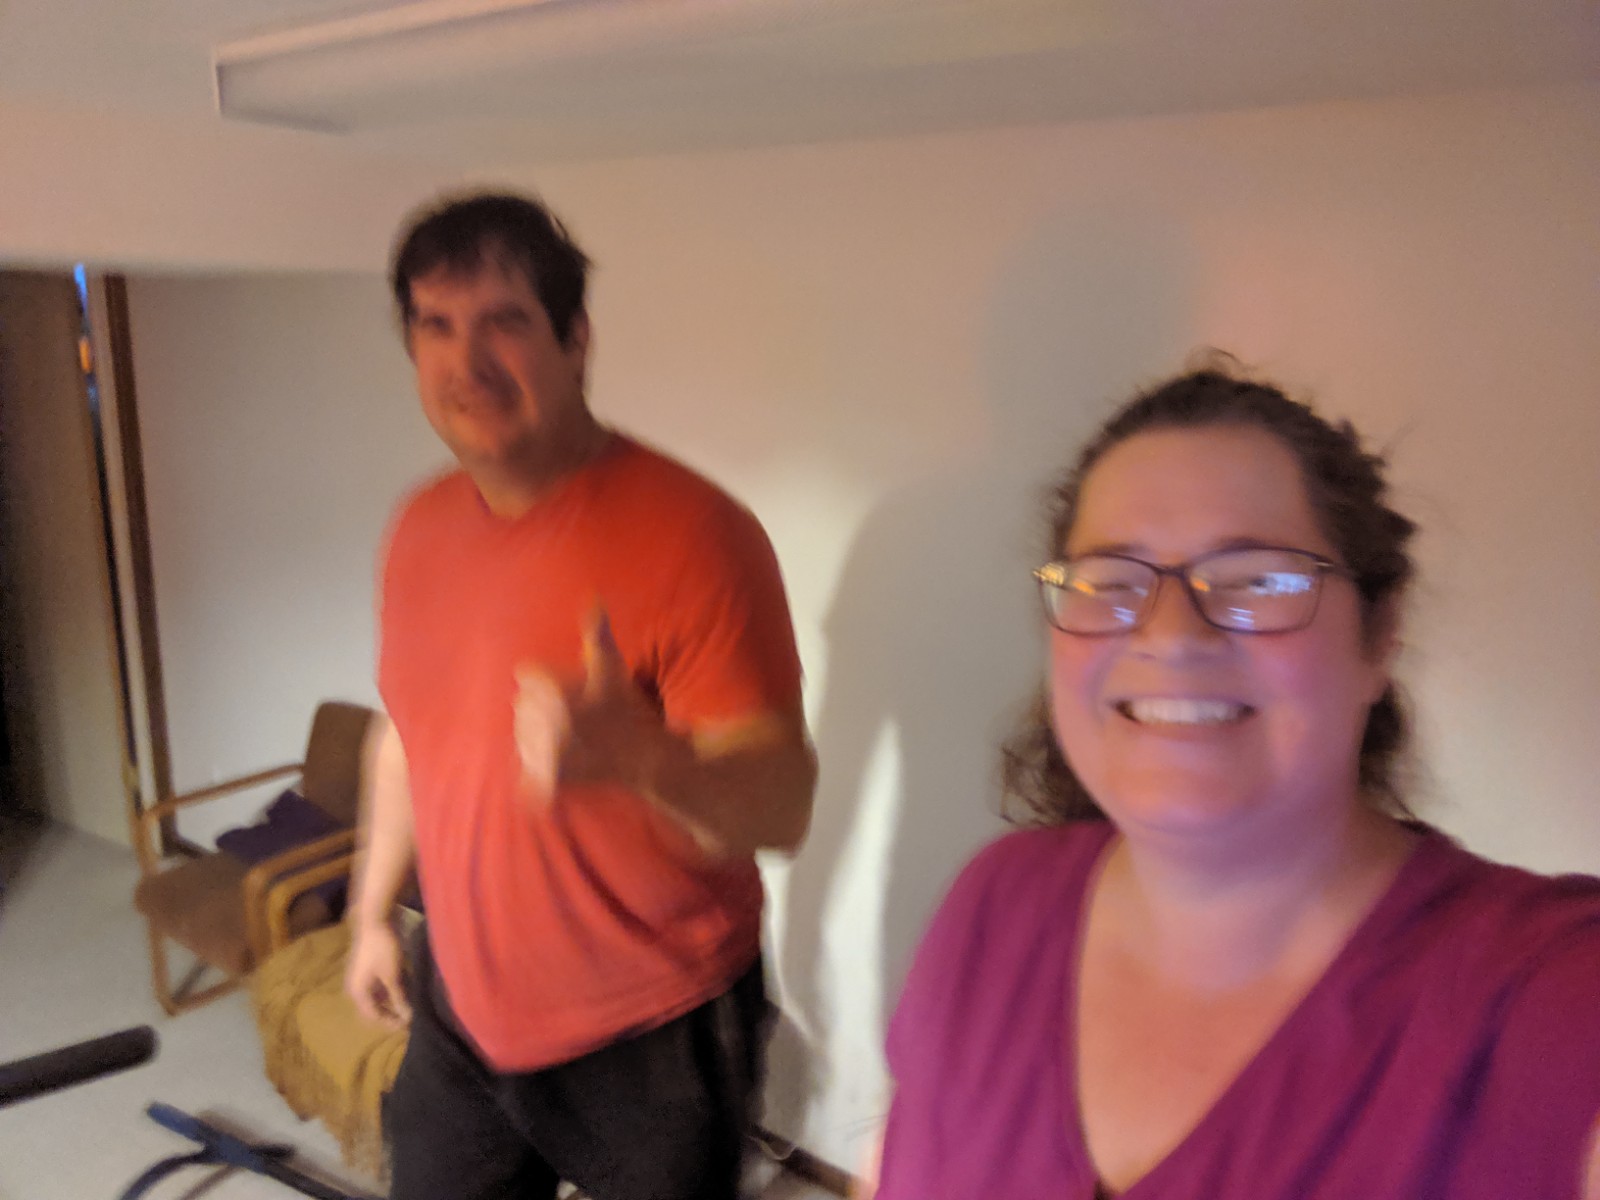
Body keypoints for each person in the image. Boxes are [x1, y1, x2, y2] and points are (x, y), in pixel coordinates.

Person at [870, 361, 1600, 1199]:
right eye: (1109, 582)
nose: (1170, 634)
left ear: (1380, 634)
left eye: (1257, 580)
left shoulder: (1540, 994)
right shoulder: (995, 902)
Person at [343, 191, 817, 1200]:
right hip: (462, 1000)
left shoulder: (697, 535)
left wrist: (644, 758)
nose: (466, 362)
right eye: (435, 326)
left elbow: (784, 807)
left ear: (576, 340)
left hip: (652, 1027)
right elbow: (405, 737)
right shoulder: (417, 528)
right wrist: (372, 910)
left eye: (504, 322)